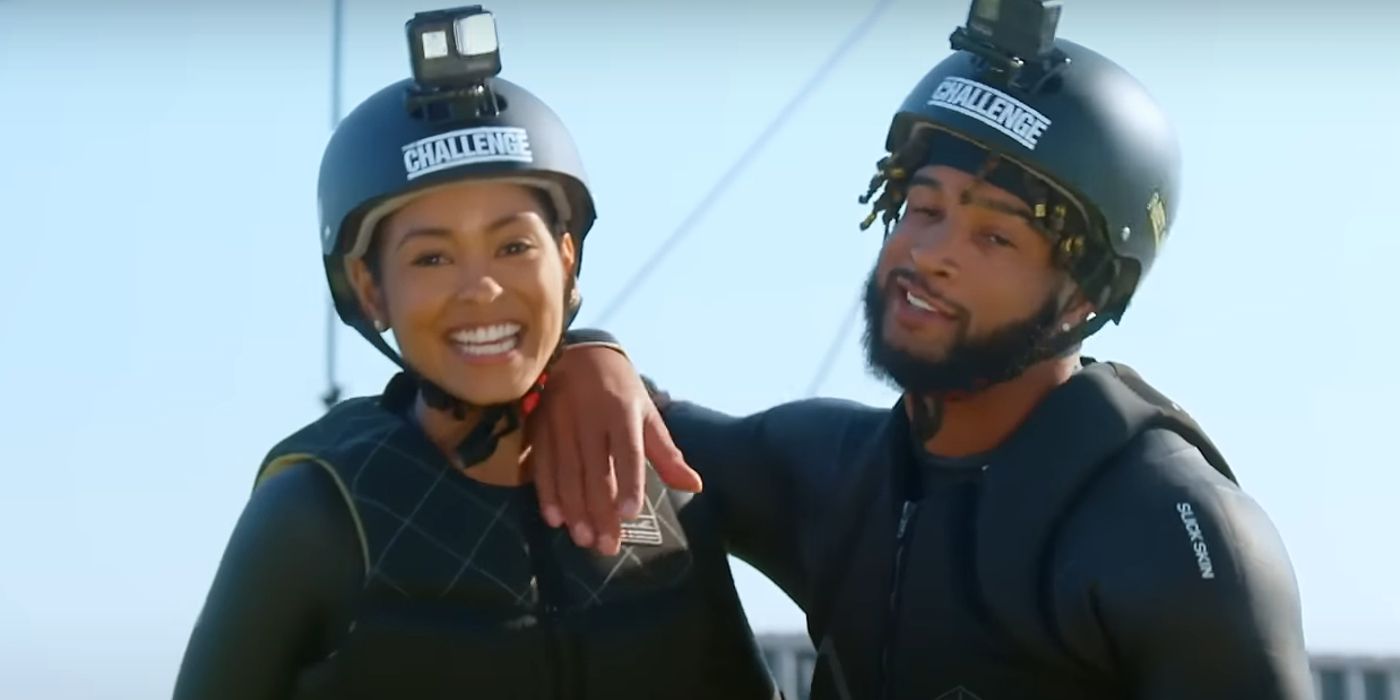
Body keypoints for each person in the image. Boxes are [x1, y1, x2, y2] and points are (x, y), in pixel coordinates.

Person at [525, 2, 1315, 698]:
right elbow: (638, 432)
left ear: (1084, 296)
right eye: (922, 206)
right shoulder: (832, 470)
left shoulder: (1178, 534)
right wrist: (593, 355)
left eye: (996, 235)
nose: (932, 253)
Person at [171, 8, 778, 699]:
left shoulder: (654, 480)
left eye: (514, 245)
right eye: (430, 256)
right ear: (371, 289)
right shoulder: (316, 513)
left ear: (568, 260)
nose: (481, 288)